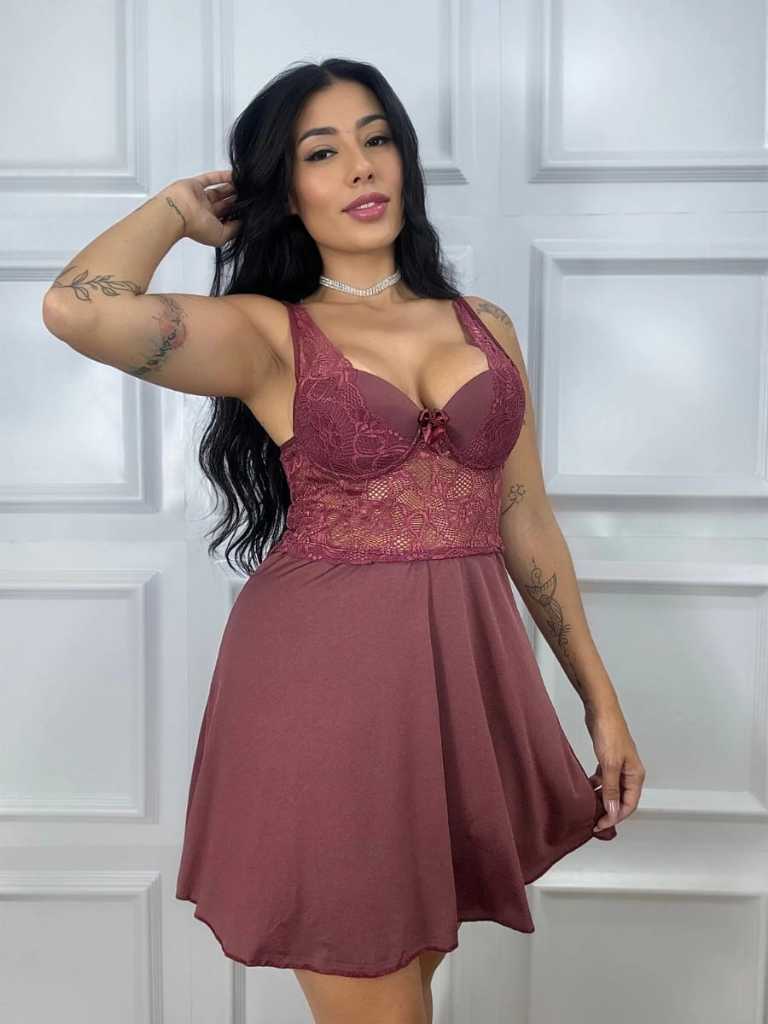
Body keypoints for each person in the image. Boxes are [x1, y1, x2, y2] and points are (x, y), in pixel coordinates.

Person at [42, 57, 645, 1024]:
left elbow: (524, 516)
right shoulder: (266, 334)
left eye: (376, 140)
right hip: (320, 690)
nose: (361, 167)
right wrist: (174, 210)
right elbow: (76, 307)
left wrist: (600, 703)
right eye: (321, 153)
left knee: (407, 994)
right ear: (286, 190)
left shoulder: (485, 326)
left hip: (459, 684)